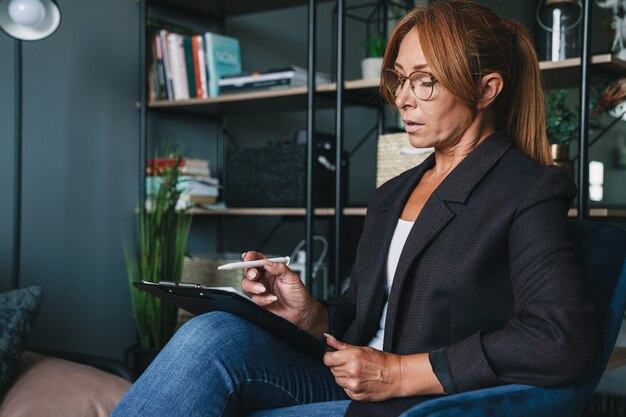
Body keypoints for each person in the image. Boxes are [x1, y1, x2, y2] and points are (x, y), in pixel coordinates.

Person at [111, 1, 597, 416]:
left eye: (425, 81)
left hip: (419, 402)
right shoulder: (394, 192)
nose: (403, 99)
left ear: (487, 90)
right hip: (348, 380)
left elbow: (558, 338)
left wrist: (401, 372)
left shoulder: (527, 189)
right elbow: (364, 318)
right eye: (400, 80)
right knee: (213, 328)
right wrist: (311, 316)